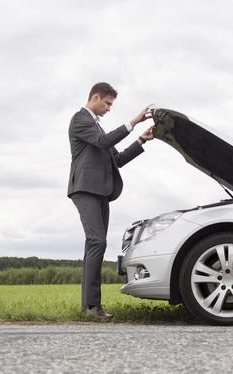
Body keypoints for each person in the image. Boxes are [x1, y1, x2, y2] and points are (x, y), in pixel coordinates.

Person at [67, 82, 154, 319]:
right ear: (95, 97)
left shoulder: (98, 128)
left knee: (94, 244)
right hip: (85, 190)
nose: (108, 108)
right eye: (107, 103)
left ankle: (88, 307)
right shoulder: (80, 120)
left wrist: (141, 141)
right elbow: (103, 143)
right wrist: (134, 121)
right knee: (97, 242)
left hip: (101, 192)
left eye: (111, 105)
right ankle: (93, 306)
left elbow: (119, 159)